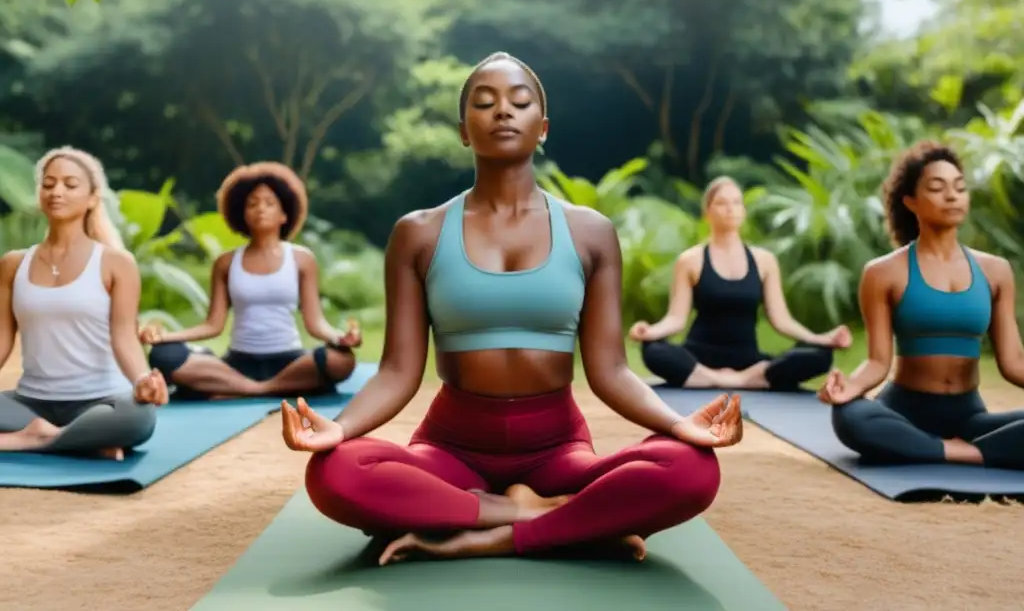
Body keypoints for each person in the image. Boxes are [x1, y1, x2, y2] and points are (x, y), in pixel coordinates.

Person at [278, 52, 742, 566]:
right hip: (451, 446)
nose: (503, 111)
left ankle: (491, 531)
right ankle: (546, 518)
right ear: (463, 130)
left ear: (541, 128)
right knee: (333, 473)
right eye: (485, 102)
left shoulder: (590, 232)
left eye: (519, 103)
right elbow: (397, 371)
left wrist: (679, 426)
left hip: (558, 449)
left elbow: (610, 371)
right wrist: (338, 430)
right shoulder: (420, 232)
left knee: (693, 469)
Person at [820, 141, 1024, 470]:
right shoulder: (882, 273)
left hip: (969, 416)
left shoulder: (995, 271)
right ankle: (968, 453)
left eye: (960, 187)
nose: (952, 195)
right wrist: (850, 387)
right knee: (852, 417)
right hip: (903, 411)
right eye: (937, 187)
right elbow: (877, 361)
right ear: (911, 201)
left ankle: (946, 450)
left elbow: (1014, 362)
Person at [0, 146, 167, 459]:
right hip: (30, 404)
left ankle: (32, 440)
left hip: (101, 403)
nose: (56, 192)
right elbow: (1, 339)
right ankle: (84, 442)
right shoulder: (13, 264)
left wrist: (143, 381)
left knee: (138, 418)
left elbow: (125, 339)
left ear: (92, 198)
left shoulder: (117, 263)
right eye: (48, 184)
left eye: (70, 184)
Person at [143, 162, 361, 401]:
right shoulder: (226, 263)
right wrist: (165, 338)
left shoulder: (302, 259)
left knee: (341, 360)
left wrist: (341, 339)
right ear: (241, 213)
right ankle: (269, 388)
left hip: (291, 362)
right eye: (252, 204)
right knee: (163, 355)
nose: (260, 209)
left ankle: (241, 389)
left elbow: (315, 323)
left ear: (284, 214)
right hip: (237, 363)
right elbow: (213, 325)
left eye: (269, 203)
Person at [628, 176, 851, 391]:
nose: (730, 209)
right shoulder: (690, 261)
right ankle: (733, 379)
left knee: (821, 354)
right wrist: (650, 331)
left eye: (736, 203)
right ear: (707, 212)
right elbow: (676, 319)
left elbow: (781, 320)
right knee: (654, 349)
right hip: (699, 357)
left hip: (748, 360)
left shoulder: (764, 261)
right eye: (721, 203)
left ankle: (723, 379)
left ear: (743, 211)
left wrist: (820, 339)